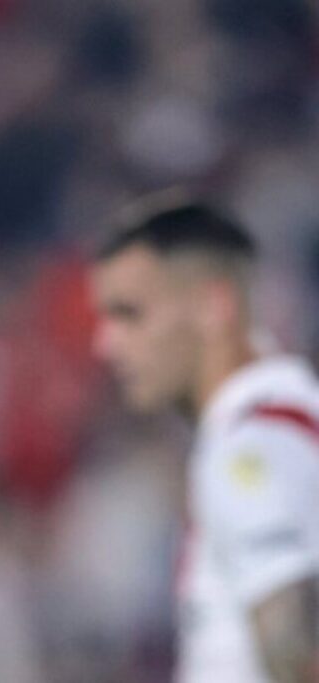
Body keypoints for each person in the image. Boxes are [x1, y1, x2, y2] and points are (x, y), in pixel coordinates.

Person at [91, 197, 319, 683]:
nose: (106, 344)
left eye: (130, 314)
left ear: (214, 305)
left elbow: (299, 657)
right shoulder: (280, 423)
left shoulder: (252, 445)